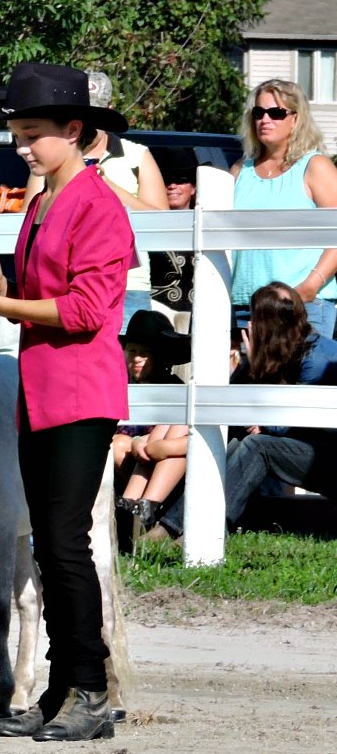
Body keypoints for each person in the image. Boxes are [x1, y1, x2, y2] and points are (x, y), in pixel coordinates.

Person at [0, 62, 134, 742]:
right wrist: (2, 281)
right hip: (41, 390)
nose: (22, 148)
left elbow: (89, 311)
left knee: (65, 544)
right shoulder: (41, 204)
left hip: (79, 394)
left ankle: (90, 689)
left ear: (74, 130)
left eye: (33, 135)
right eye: (17, 135)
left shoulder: (98, 206)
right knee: (55, 545)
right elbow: (44, 294)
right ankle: (65, 688)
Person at [147, 282, 337, 541]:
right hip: (315, 449)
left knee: (258, 446)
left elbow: (293, 424)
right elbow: (237, 413)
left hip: (328, 456)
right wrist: (250, 366)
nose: (250, 326)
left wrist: (259, 377)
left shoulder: (316, 359)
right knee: (238, 441)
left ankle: (193, 530)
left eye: (255, 319)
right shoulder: (290, 347)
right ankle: (174, 525)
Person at [22, 70, 168, 330]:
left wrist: (108, 188)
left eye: (93, 115)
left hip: (130, 283)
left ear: (106, 112)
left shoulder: (136, 155)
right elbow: (28, 220)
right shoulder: (46, 163)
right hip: (58, 285)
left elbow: (163, 222)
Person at [230, 79, 337, 337]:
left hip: (301, 304)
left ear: (295, 118)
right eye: (258, 112)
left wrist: (310, 286)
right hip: (244, 306)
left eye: (276, 113)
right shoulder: (238, 171)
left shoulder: (315, 167)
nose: (265, 120)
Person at [112, 310, 190, 550]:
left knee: (125, 444)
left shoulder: (175, 389)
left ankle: (139, 508)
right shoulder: (119, 385)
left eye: (145, 354)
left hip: (167, 466)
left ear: (160, 357)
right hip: (138, 460)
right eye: (132, 351)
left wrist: (141, 440)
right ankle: (133, 508)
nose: (136, 359)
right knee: (118, 444)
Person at [149, 147, 198, 334]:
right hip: (154, 317)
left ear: (193, 187)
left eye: (181, 180)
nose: (172, 185)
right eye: (166, 180)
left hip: (197, 320)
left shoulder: (207, 225)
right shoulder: (144, 223)